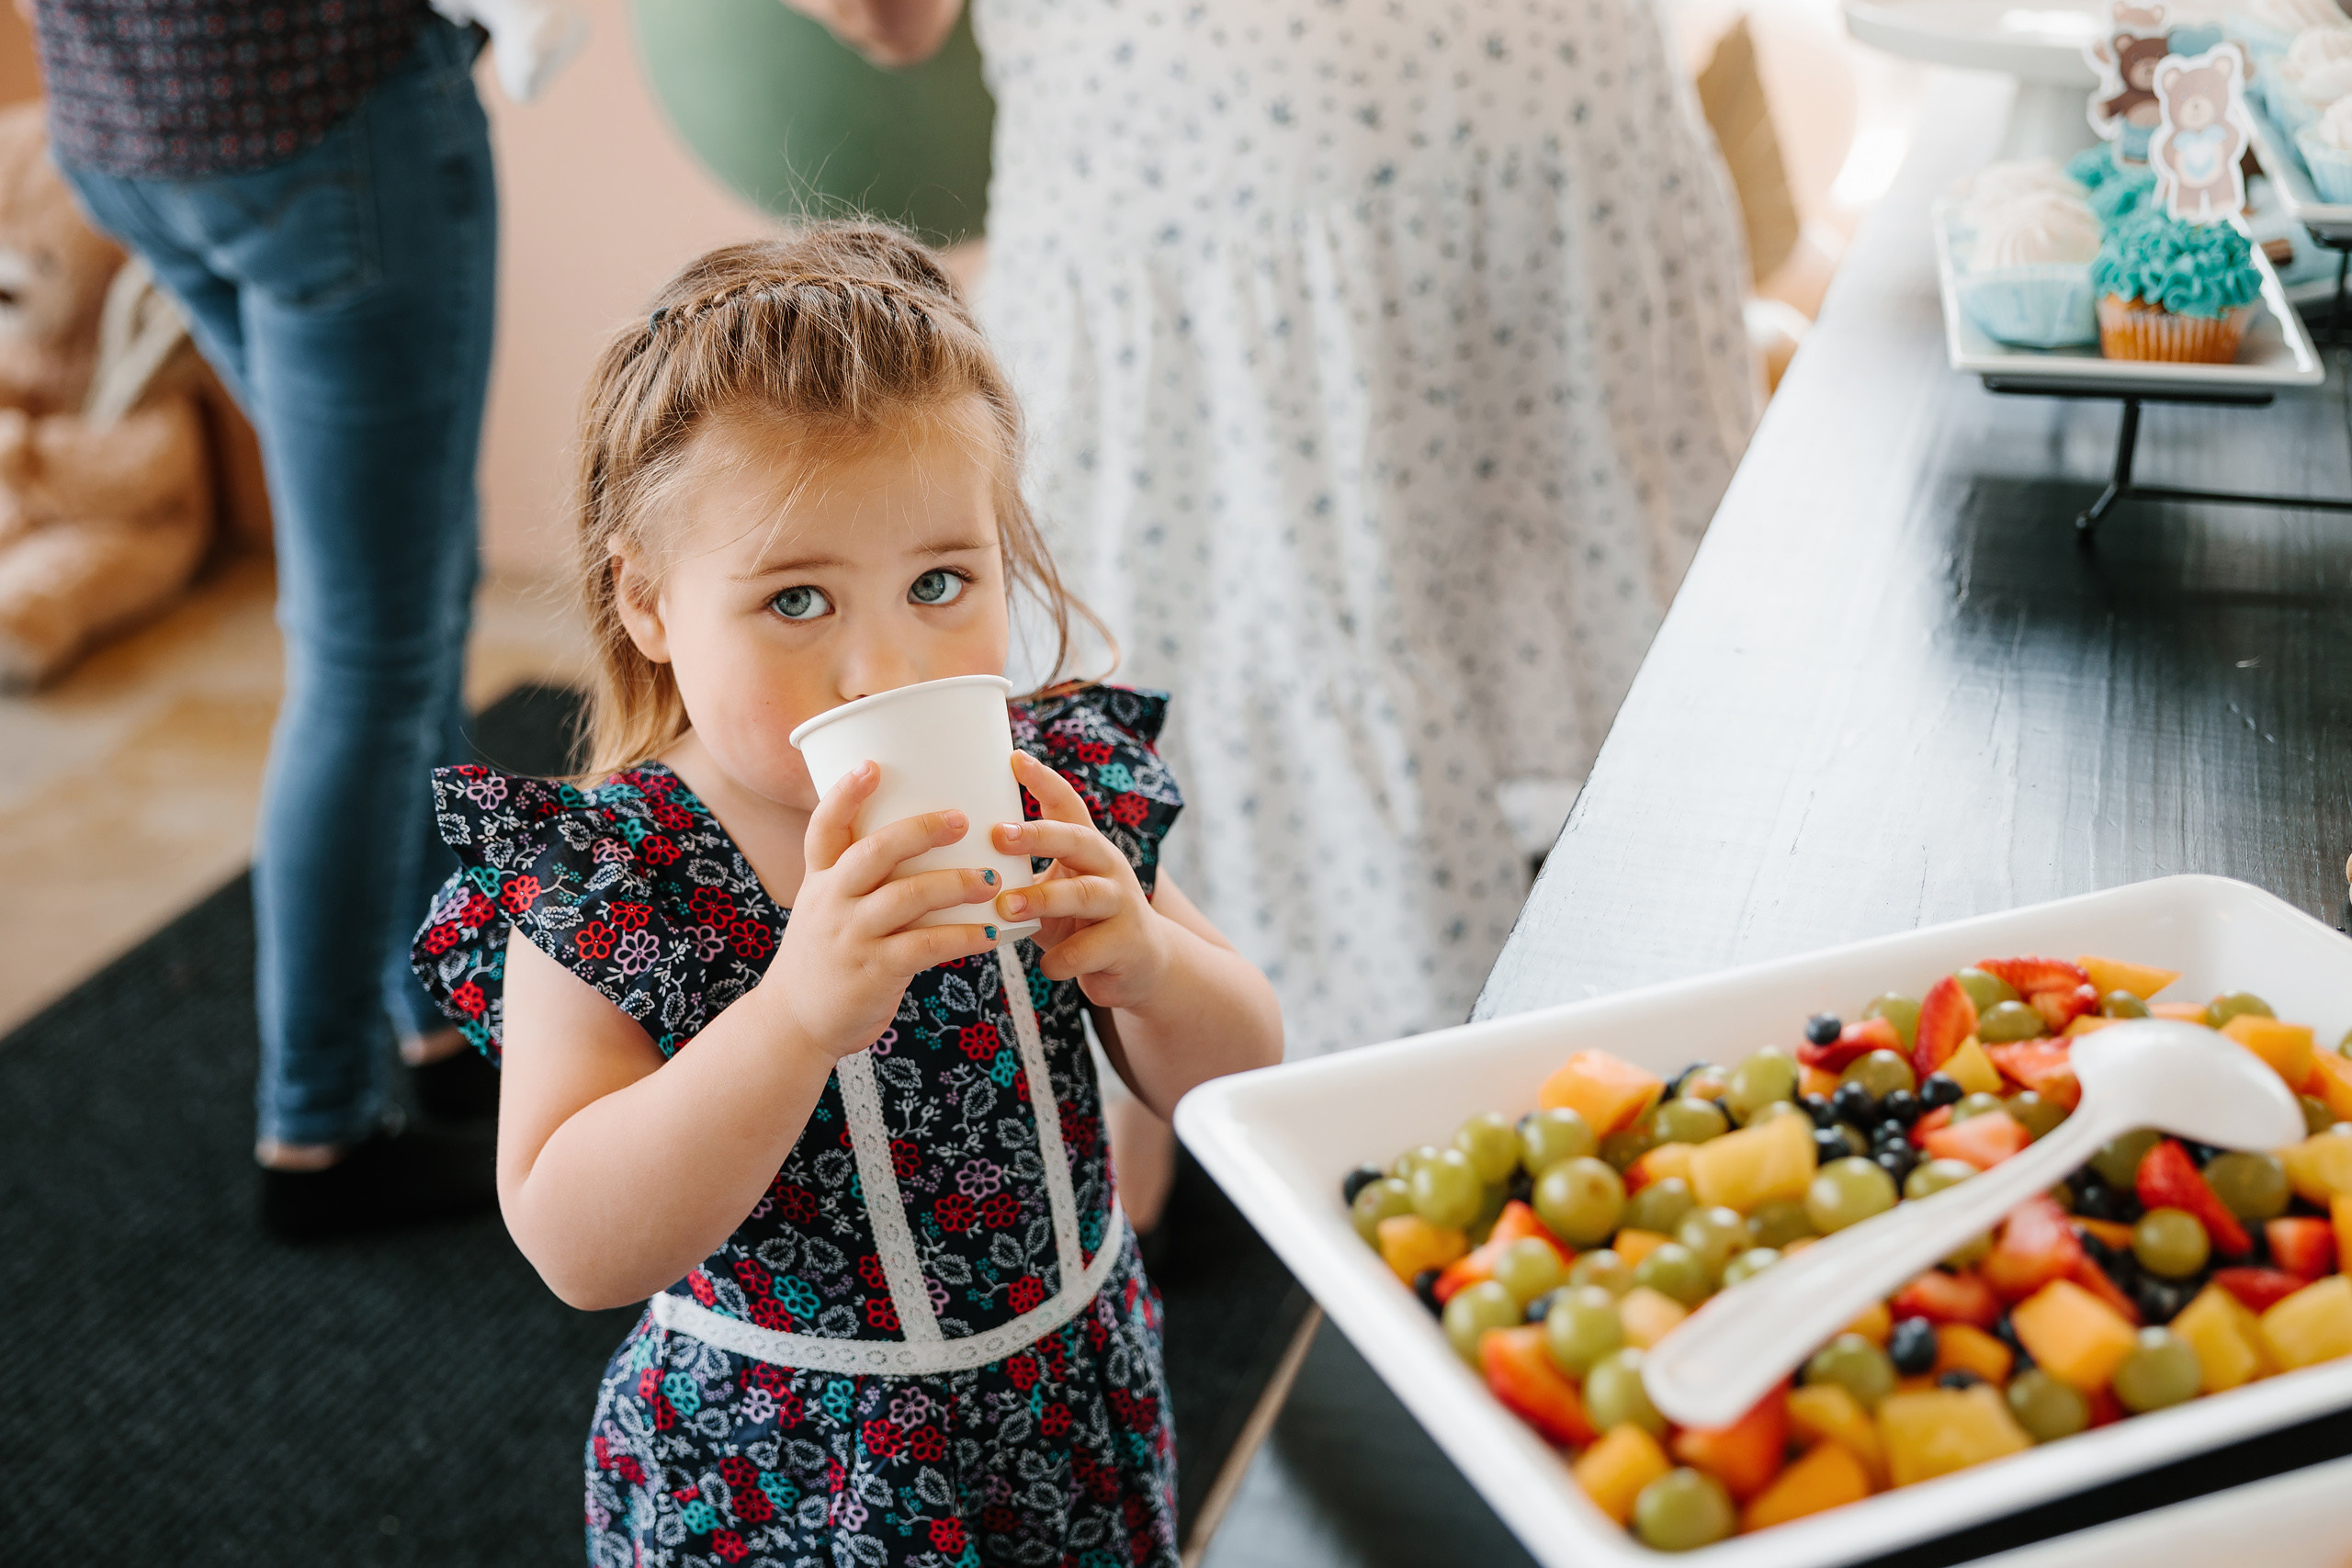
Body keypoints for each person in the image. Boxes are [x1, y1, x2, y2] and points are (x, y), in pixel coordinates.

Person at [784, 0, 1759, 1223]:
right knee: (1533, 621)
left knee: (1240, 629)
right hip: (1545, 108)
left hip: (1219, 153)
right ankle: (1671, 1066)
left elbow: (891, 18)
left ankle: (1223, 1133)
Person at [408, 224, 1283, 1566]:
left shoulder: (1048, 785)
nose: (886, 667)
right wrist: (792, 1019)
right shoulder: (615, 880)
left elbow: (1242, 1081)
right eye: (798, 600)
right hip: (787, 1476)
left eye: (940, 583)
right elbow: (575, 1243)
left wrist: (1150, 969)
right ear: (648, 602)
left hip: (1064, 1417)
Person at [29, 1, 507, 1237]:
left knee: (410, 594)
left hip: (128, 131)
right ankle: (320, 1128)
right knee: (371, 654)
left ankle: (449, 1012)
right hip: (322, 125)